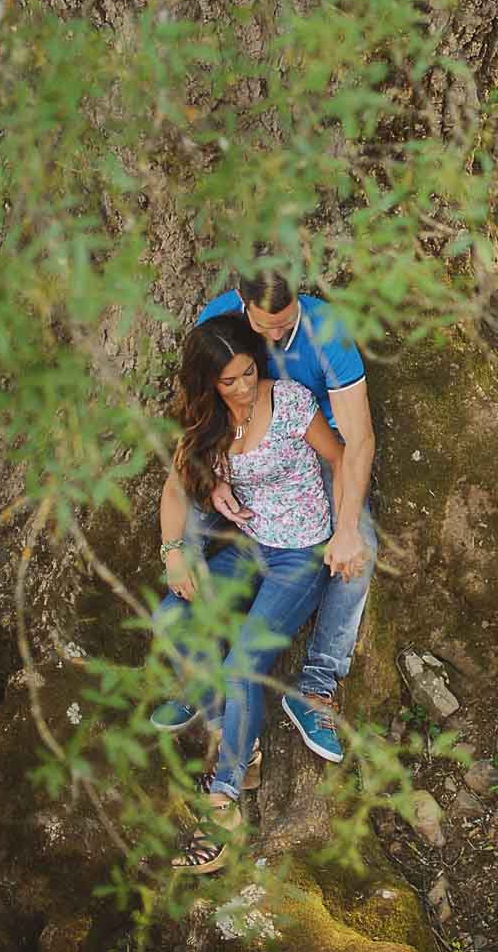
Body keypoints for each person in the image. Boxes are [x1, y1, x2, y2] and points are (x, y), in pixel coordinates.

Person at [152, 316, 341, 873]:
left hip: (301, 555)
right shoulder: (205, 420)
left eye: (248, 373)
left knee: (241, 668)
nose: (240, 388)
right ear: (208, 381)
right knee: (171, 618)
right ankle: (232, 734)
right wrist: (173, 553)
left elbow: (340, 456)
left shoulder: (289, 403)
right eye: (228, 380)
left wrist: (348, 529)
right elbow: (173, 487)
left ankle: (225, 798)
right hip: (252, 547)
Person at [166, 269, 377, 765]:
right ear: (242, 305)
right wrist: (210, 477)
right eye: (266, 329)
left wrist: (345, 529)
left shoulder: (327, 332)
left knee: (361, 545)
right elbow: (197, 410)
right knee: (186, 514)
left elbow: (357, 441)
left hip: (311, 444)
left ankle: (316, 685)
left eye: (286, 325)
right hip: (236, 447)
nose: (277, 337)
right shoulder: (217, 320)